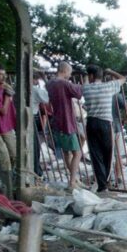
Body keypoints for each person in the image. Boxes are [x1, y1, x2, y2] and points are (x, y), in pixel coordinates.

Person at [80, 64, 126, 193]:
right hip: (105, 123)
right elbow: (123, 78)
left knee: (96, 155)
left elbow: (85, 83)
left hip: (91, 123)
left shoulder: (86, 88)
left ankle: (102, 185)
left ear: (91, 76)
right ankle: (107, 180)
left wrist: (85, 77)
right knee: (108, 153)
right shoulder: (109, 87)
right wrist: (111, 71)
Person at [45, 61, 84, 190]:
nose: (70, 75)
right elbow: (78, 94)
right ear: (65, 71)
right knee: (77, 153)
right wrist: (82, 83)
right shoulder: (65, 83)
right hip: (67, 122)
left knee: (66, 153)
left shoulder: (50, 83)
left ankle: (74, 179)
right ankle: (72, 182)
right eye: (70, 72)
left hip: (57, 121)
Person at [29, 69, 49, 178]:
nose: (37, 82)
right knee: (35, 148)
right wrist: (45, 79)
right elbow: (48, 97)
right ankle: (36, 172)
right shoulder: (34, 90)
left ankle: (34, 170)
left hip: (19, 118)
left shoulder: (16, 88)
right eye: (36, 79)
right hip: (31, 117)